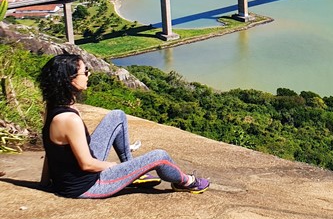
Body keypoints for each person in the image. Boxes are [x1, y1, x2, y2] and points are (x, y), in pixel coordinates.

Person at [38, 53, 210, 198]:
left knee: (117, 116)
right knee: (160, 157)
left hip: (73, 179)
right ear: (70, 80)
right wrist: (119, 168)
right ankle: (187, 182)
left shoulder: (54, 107)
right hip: (87, 185)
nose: (89, 75)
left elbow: (50, 149)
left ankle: (134, 174)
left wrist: (45, 182)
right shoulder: (69, 119)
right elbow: (87, 165)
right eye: (85, 72)